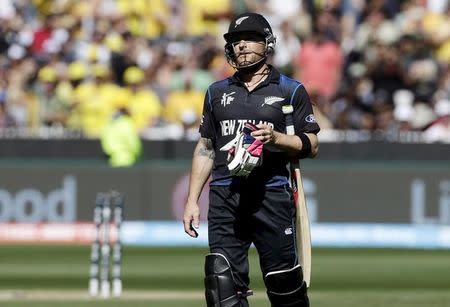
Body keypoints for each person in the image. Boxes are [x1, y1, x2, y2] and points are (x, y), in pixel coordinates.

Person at [183, 12, 320, 307]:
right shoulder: (216, 92)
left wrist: (278, 139)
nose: (241, 46)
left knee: (283, 284)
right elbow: (206, 147)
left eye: (249, 39)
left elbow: (311, 144)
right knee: (222, 284)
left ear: (267, 43)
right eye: (235, 41)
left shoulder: (289, 90)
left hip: (270, 195)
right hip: (225, 196)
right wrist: (193, 199)